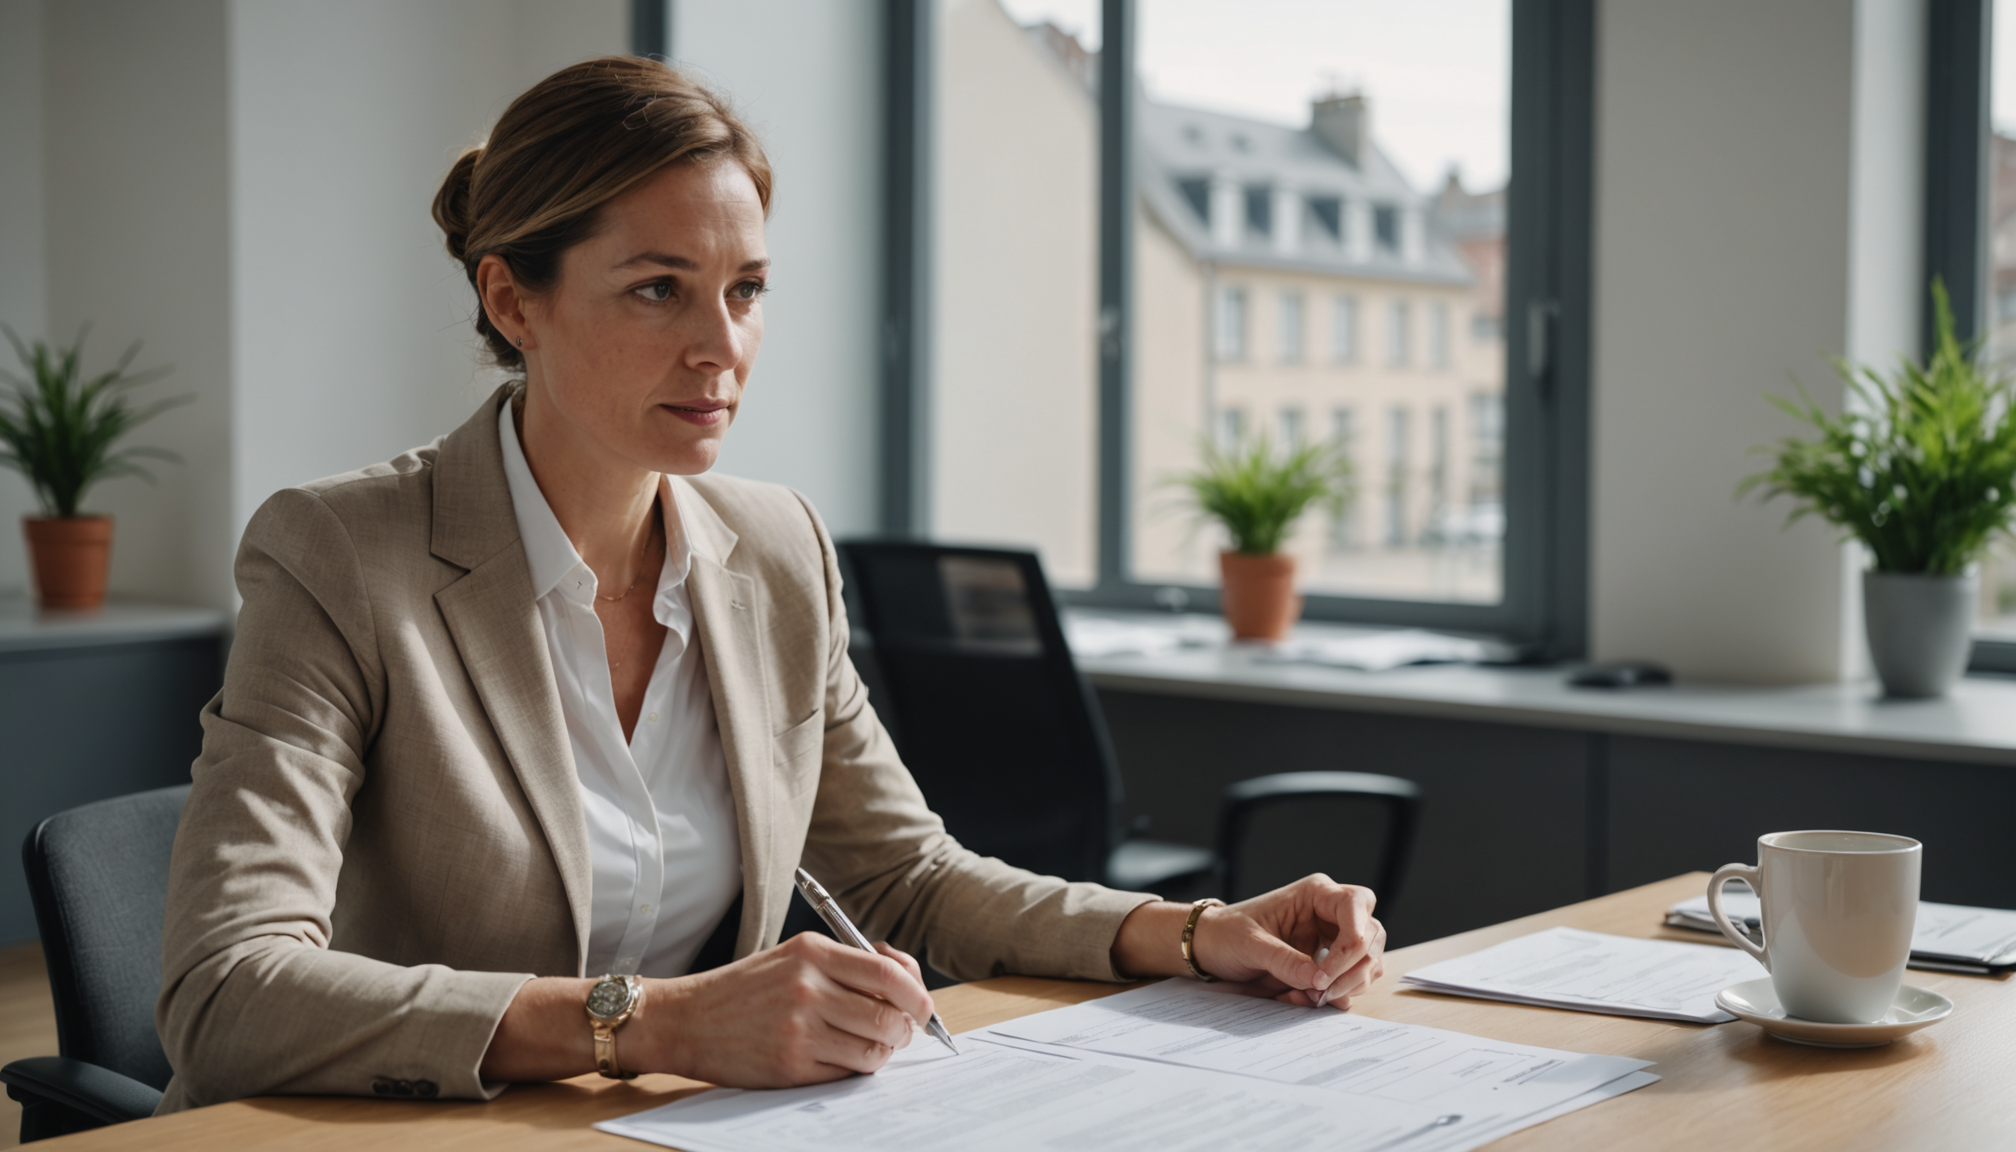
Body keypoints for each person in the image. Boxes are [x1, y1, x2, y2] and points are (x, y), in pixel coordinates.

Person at [155, 55, 1385, 1112]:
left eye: (745, 290)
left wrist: (1190, 932)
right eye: (659, 289)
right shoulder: (342, 554)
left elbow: (910, 878)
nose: (722, 347)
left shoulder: (775, 550)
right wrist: (653, 1024)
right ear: (511, 297)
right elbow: (227, 990)